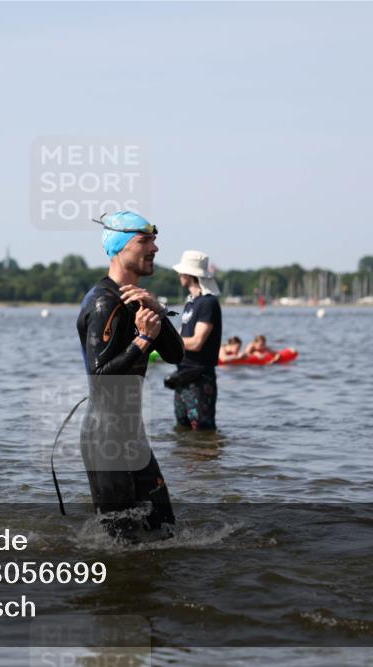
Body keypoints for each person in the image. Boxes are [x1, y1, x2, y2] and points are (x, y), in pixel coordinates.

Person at [76, 211, 184, 539]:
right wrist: (142, 341)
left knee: (164, 529)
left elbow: (176, 355)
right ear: (121, 247)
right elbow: (100, 375)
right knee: (121, 539)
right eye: (145, 240)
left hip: (132, 435)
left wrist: (158, 313)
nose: (155, 248)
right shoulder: (103, 303)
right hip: (105, 437)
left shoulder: (137, 300)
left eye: (153, 239)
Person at [171, 250, 222, 430]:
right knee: (182, 431)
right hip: (182, 376)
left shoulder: (208, 303)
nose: (178, 274)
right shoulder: (191, 303)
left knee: (202, 431)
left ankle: (205, 458)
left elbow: (197, 342)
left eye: (181, 271)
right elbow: (182, 335)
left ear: (190, 274)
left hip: (200, 379)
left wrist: (167, 342)